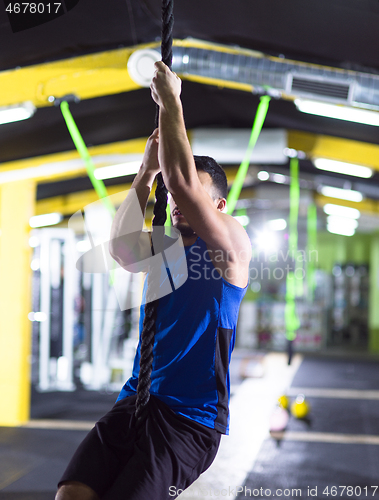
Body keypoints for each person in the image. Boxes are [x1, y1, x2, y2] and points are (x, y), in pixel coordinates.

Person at [55, 61, 251, 500]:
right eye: (176, 196)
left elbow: (180, 182)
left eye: (194, 196)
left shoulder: (232, 243)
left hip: (190, 421)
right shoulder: (164, 244)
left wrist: (171, 100)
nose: (179, 202)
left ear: (219, 205)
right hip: (137, 400)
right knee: (72, 491)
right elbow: (122, 249)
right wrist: (144, 176)